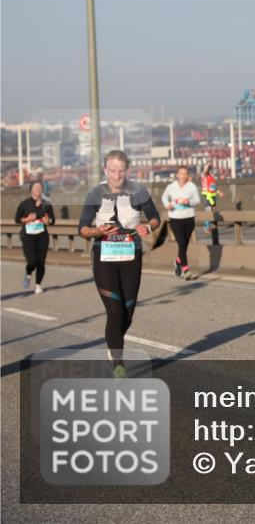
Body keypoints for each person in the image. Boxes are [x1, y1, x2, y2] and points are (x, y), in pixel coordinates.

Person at [78, 150, 161, 378]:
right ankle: (118, 361)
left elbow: (155, 217)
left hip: (131, 256)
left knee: (127, 313)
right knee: (114, 311)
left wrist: (148, 227)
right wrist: (98, 230)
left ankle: (113, 341)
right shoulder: (95, 194)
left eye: (121, 171)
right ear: (106, 170)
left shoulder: (138, 191)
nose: (117, 176)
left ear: (127, 170)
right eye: (112, 171)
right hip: (104, 257)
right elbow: (82, 228)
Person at [161, 165, 201, 280]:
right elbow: (164, 197)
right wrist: (167, 205)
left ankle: (178, 261)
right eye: (181, 173)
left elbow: (197, 200)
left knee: (184, 245)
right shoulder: (171, 187)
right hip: (175, 218)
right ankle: (186, 270)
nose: (183, 176)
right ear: (177, 175)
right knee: (181, 242)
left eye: (185, 173)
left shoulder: (191, 186)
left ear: (187, 175)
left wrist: (188, 202)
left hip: (189, 217)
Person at [15, 181, 55, 294]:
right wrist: (27, 219)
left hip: (42, 236)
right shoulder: (24, 204)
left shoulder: (47, 204)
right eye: (36, 187)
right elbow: (17, 219)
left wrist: (48, 221)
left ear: (42, 190)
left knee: (41, 262)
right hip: (28, 236)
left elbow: (52, 221)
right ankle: (28, 274)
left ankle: (38, 285)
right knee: (32, 261)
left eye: (40, 187)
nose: (38, 189)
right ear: (31, 189)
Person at [200, 163, 221, 234]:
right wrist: (208, 165)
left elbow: (214, 186)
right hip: (206, 195)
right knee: (208, 210)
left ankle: (212, 225)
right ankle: (206, 227)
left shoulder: (211, 177)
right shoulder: (203, 175)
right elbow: (205, 171)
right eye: (208, 168)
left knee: (213, 210)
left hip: (213, 195)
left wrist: (219, 192)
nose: (209, 169)